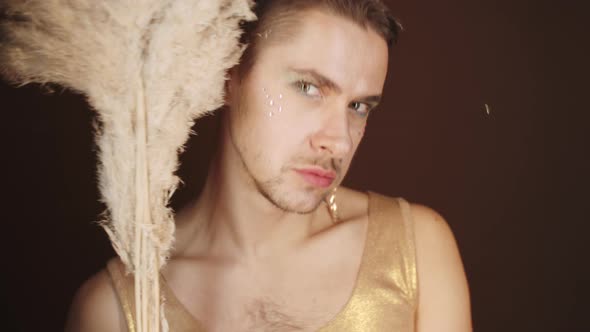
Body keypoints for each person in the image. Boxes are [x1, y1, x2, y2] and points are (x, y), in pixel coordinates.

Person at [65, 0, 472, 331]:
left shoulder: (415, 249)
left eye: (359, 106)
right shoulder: (119, 309)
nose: (340, 139)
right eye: (309, 88)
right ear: (228, 74)